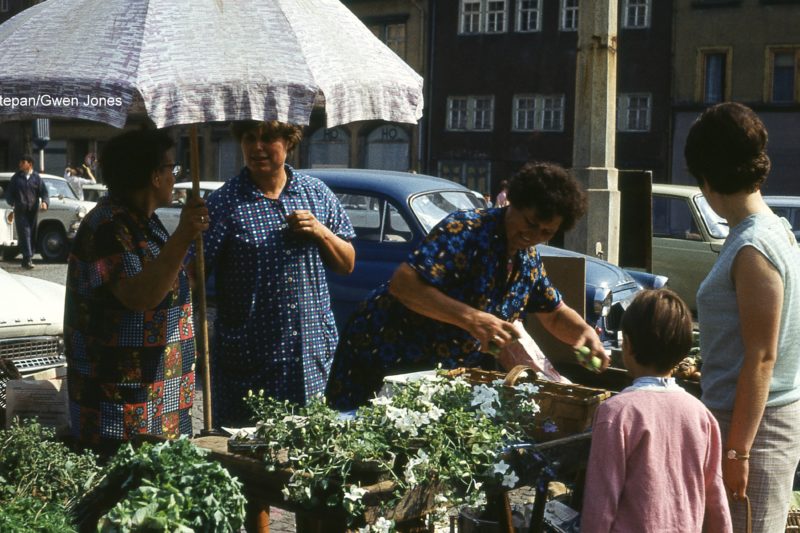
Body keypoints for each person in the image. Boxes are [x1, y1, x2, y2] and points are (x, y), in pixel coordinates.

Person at [326, 162, 609, 410]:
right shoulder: (466, 230)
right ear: (513, 203)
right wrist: (473, 319)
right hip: (384, 353)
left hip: (438, 372)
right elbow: (403, 283)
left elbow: (554, 312)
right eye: (530, 223)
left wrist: (583, 333)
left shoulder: (528, 260)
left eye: (546, 232)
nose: (533, 235)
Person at [685, 102, 800, 532]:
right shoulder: (772, 229)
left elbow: (762, 357)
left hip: (755, 430)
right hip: (750, 425)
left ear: (708, 179)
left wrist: (738, 452)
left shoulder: (754, 247)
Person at [198, 120, 355, 426]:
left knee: (312, 449)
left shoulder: (315, 193)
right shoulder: (224, 203)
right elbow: (194, 276)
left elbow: (347, 263)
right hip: (250, 356)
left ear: (289, 142)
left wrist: (320, 232)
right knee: (248, 451)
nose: (257, 147)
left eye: (268, 138)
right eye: (248, 138)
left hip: (309, 353)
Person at [64, 129, 208, 456]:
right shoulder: (109, 227)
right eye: (172, 169)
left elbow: (171, 283)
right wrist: (184, 234)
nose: (175, 177)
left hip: (162, 399)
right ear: (154, 176)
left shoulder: (146, 222)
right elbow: (141, 296)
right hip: (121, 409)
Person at [581, 289, 732, 532]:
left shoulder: (616, 413)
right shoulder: (701, 414)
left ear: (627, 345)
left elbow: (601, 501)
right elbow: (715, 498)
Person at [4, 155, 49, 269]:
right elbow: (9, 193)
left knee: (31, 234)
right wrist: (12, 202)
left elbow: (44, 193)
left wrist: (45, 202)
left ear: (30, 164)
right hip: (20, 211)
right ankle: (28, 257)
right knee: (25, 233)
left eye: (22, 162)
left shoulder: (36, 178)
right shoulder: (16, 178)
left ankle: (26, 259)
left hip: (33, 211)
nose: (20, 164)